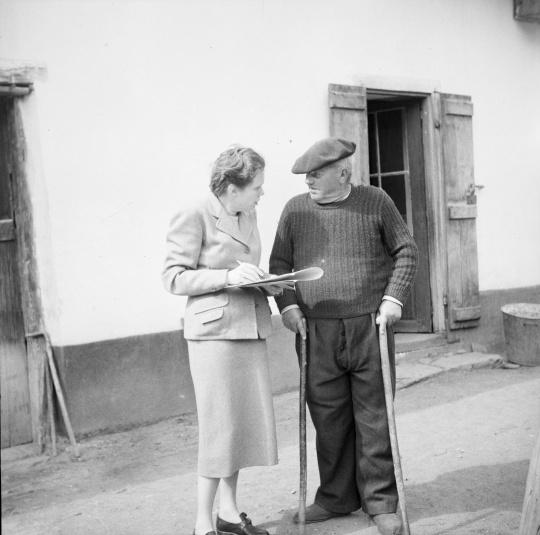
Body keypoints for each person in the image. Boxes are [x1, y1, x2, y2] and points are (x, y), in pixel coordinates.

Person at [269, 137, 418, 535]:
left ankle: (381, 501)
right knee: (328, 417)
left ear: (343, 172)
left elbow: (406, 250)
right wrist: (288, 306)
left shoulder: (376, 201)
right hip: (315, 330)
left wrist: (393, 298)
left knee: (374, 415)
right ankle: (336, 497)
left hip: (370, 324)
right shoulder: (295, 211)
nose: (309, 182)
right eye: (306, 176)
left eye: (316, 174)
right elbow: (279, 264)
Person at [163, 146, 280, 535]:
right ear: (232, 187)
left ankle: (228, 513)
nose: (261, 193)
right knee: (218, 427)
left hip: (248, 326)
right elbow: (174, 278)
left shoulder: (248, 213)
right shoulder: (194, 212)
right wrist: (228, 279)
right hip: (214, 334)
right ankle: (201, 524)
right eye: (256, 187)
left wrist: (266, 283)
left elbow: (242, 265)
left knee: (240, 425)